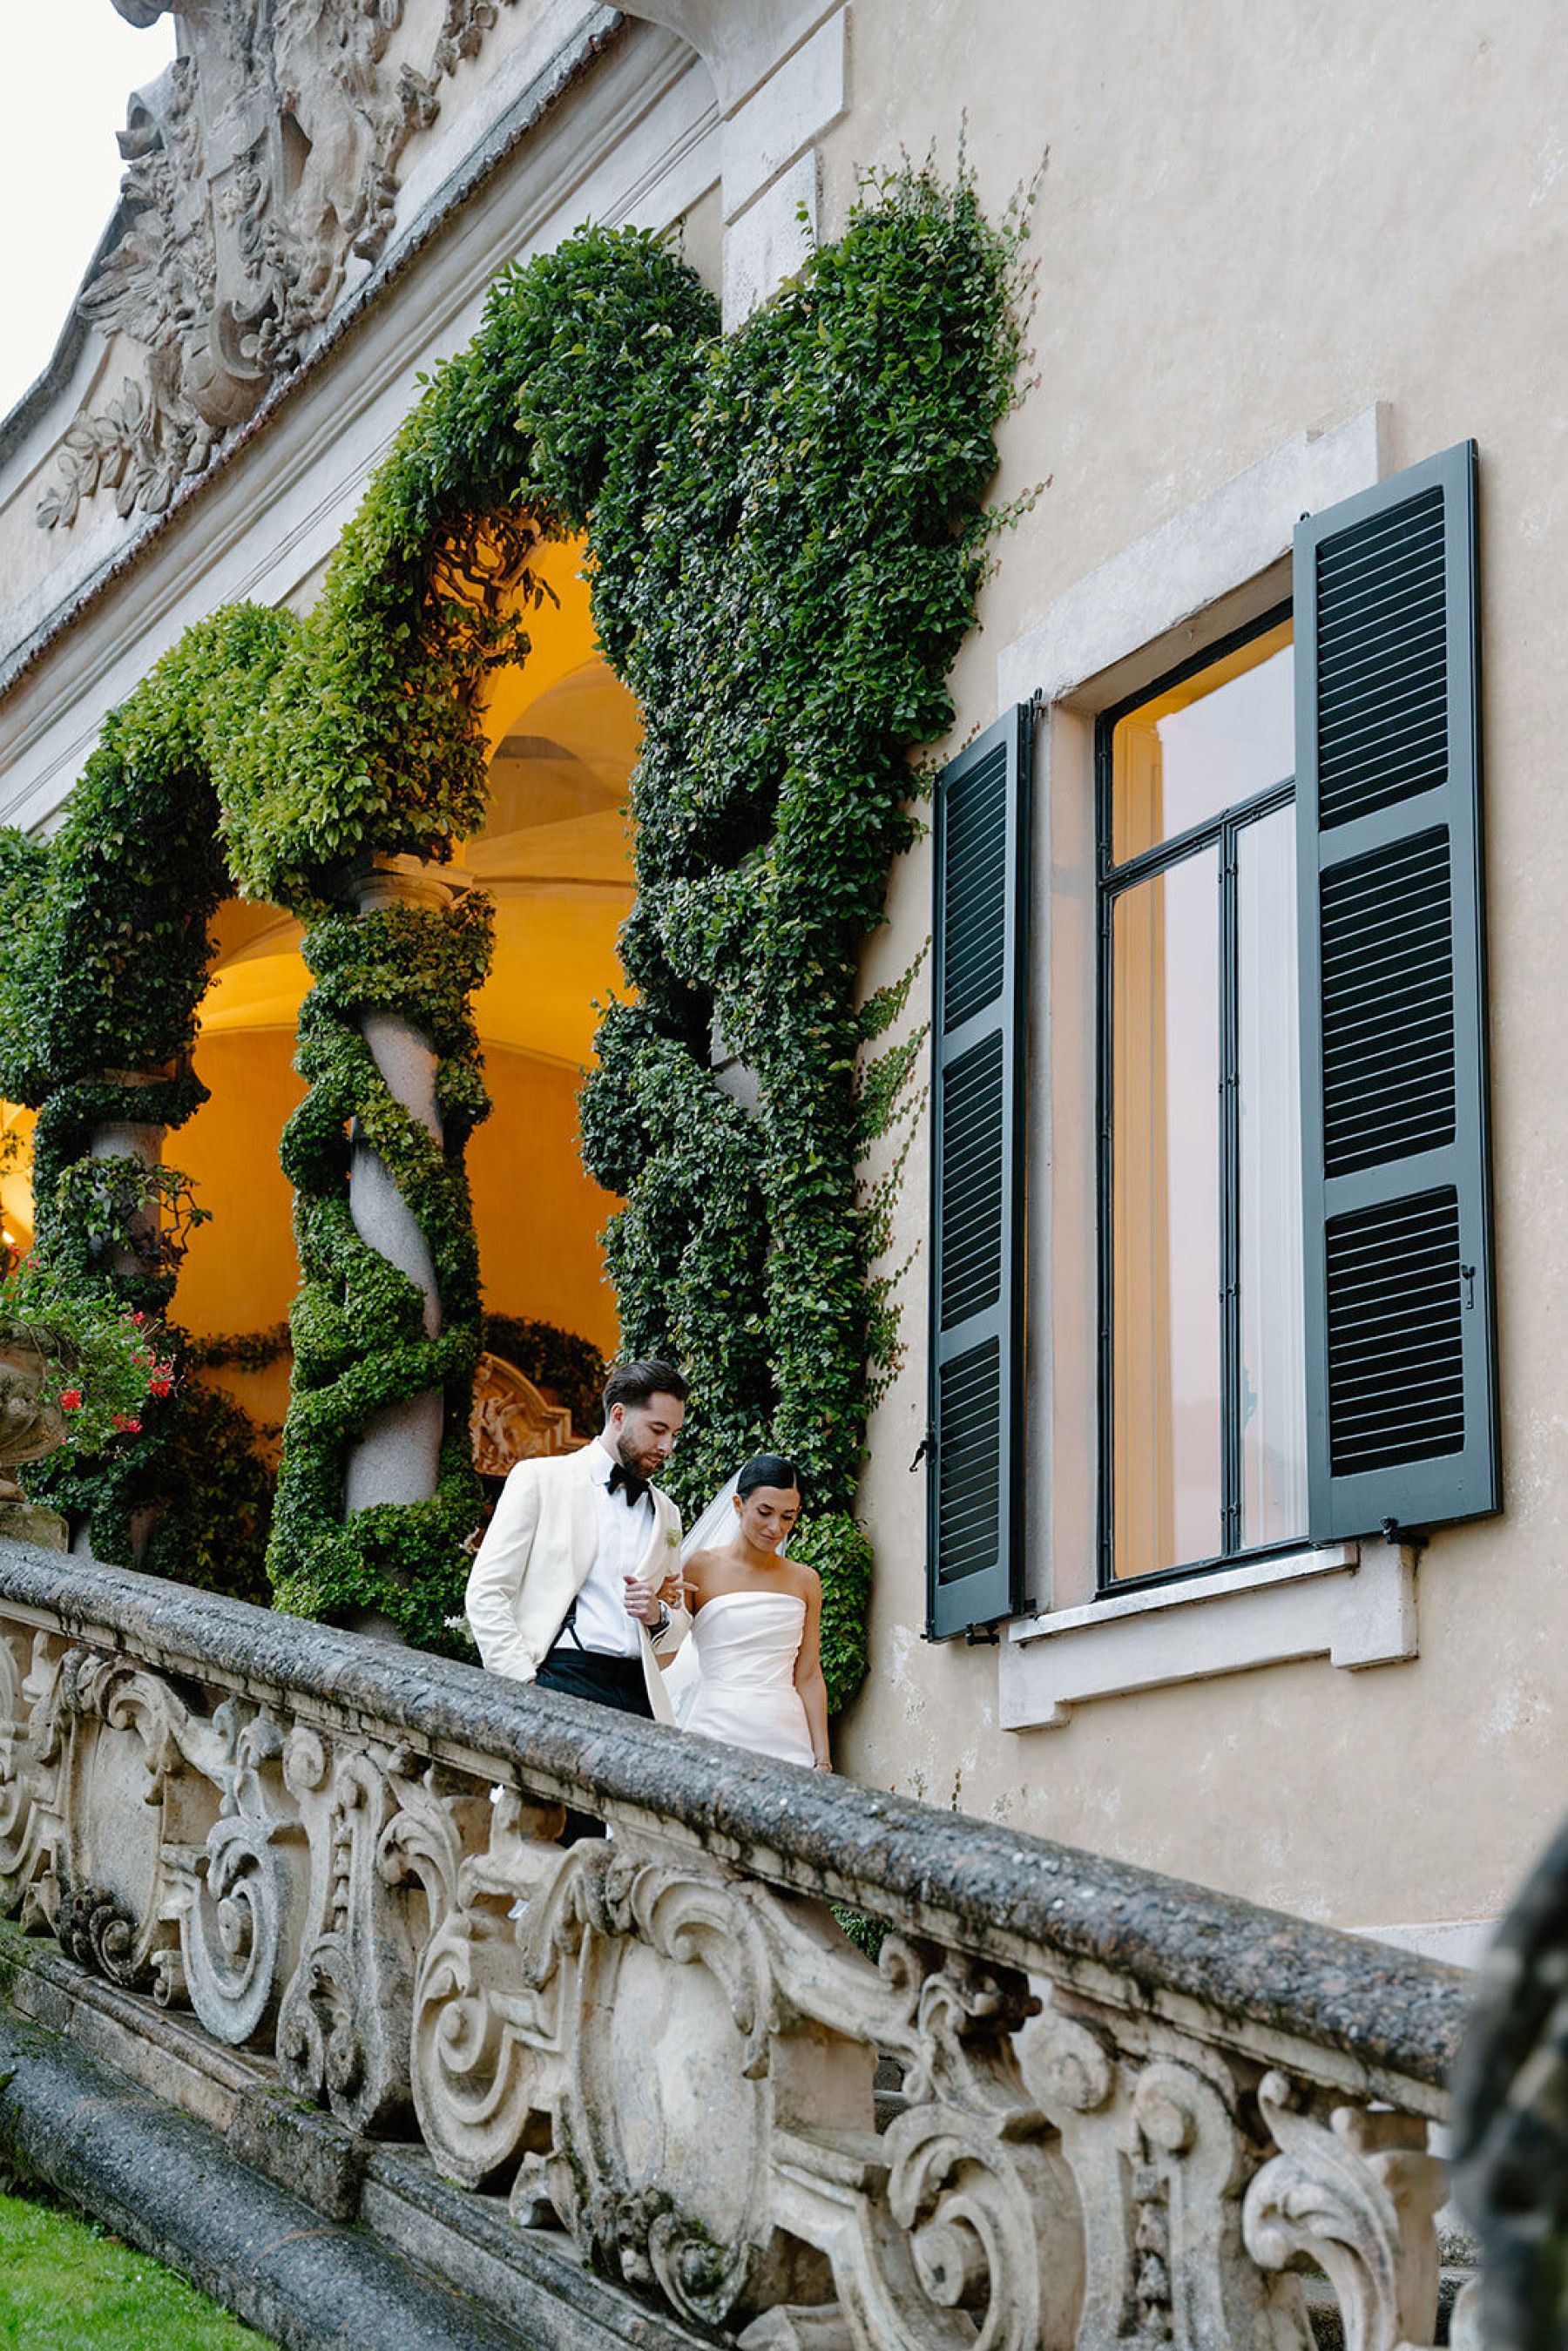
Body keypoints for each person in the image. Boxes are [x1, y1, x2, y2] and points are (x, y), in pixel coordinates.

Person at [464, 1359, 690, 1761]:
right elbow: (486, 1592)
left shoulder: (667, 1512)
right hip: (562, 1675)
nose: (666, 1447)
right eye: (658, 1430)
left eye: (674, 1434)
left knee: (632, 1825)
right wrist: (523, 1684)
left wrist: (658, 1616)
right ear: (618, 1415)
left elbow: (677, 1620)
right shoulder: (540, 1479)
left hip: (640, 1692)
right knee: (560, 1824)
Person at [679, 1454, 831, 1773]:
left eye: (788, 1517)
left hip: (787, 1735)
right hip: (715, 1727)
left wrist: (822, 1758)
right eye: (765, 1512)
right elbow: (665, 1651)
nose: (776, 1528)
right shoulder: (699, 1567)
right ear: (738, 1504)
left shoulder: (806, 1581)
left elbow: (809, 1674)